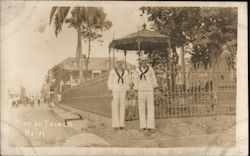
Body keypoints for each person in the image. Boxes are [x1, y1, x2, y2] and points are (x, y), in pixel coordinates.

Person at [134, 54, 158, 133]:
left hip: (149, 90)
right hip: (141, 90)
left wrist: (155, 87)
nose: (144, 62)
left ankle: (151, 126)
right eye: (142, 60)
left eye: (145, 60)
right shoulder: (137, 70)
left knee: (151, 108)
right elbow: (136, 81)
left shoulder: (150, 70)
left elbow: (153, 79)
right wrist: (135, 90)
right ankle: (143, 126)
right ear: (140, 61)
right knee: (141, 108)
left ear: (147, 61)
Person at [108, 58, 129, 130]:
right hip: (115, 90)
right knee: (115, 106)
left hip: (123, 90)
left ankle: (122, 124)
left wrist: (127, 89)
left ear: (122, 63)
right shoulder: (112, 72)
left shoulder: (125, 72)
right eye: (118, 62)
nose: (120, 64)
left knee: (122, 106)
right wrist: (110, 89)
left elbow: (127, 81)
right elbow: (110, 81)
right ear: (116, 63)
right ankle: (115, 124)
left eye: (121, 62)